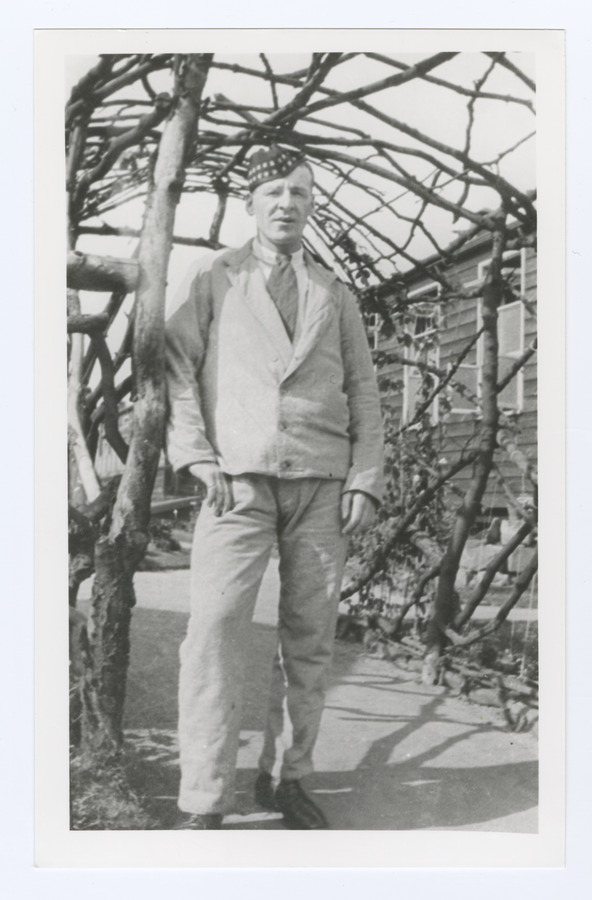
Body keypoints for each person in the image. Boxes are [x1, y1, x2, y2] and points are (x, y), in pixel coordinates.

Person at [165, 145, 385, 830]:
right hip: (236, 484)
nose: (286, 203)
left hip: (322, 485)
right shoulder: (215, 278)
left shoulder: (334, 292)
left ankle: (286, 778)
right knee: (214, 631)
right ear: (251, 204)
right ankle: (204, 794)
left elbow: (364, 389)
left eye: (299, 192)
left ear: (311, 204)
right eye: (273, 192)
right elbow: (176, 368)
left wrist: (364, 478)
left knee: (310, 639)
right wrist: (196, 456)